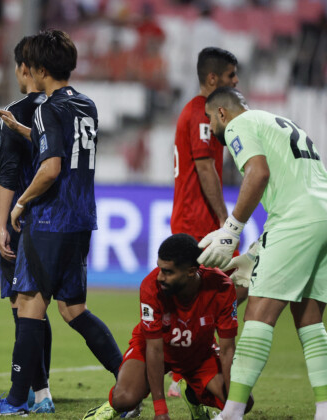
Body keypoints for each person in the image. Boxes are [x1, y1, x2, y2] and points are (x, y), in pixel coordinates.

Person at [0, 29, 123, 416]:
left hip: (51, 220)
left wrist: (20, 204)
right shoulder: (85, 105)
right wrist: (20, 128)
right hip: (81, 219)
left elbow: (51, 167)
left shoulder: (46, 108)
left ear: (38, 69)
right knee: (73, 309)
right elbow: (61, 145)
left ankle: (18, 400)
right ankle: (129, 377)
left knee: (28, 304)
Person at [200, 87, 327, 420]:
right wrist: (259, 250)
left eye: (210, 118)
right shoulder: (281, 122)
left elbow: (259, 172)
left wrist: (232, 230)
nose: (211, 127)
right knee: (310, 320)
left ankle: (232, 412)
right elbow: (295, 187)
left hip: (297, 220)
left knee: (258, 310)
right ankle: (324, 411)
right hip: (322, 215)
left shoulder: (240, 125)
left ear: (223, 113)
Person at [83, 233, 254, 420]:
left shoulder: (221, 287)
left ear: (190, 271)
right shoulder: (151, 287)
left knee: (243, 401)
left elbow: (228, 350)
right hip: (154, 348)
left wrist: (234, 406)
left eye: (168, 272)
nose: (160, 277)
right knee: (124, 398)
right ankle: (112, 406)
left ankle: (192, 394)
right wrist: (160, 410)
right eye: (160, 268)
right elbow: (154, 349)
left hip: (199, 354)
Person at [169, 46, 241, 398]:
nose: (236, 81)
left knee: (215, 296)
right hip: (196, 222)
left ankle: (183, 371)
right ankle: (182, 370)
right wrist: (227, 219)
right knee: (221, 293)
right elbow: (205, 167)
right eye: (230, 76)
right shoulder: (201, 114)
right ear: (212, 78)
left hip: (194, 219)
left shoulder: (202, 111)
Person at [0, 36, 53, 413]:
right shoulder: (63, 108)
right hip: (55, 219)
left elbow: (8, 175)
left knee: (22, 307)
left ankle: (36, 392)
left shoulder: (16, 111)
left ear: (24, 70)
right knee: (41, 308)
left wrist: (1, 225)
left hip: (22, 217)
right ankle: (34, 388)